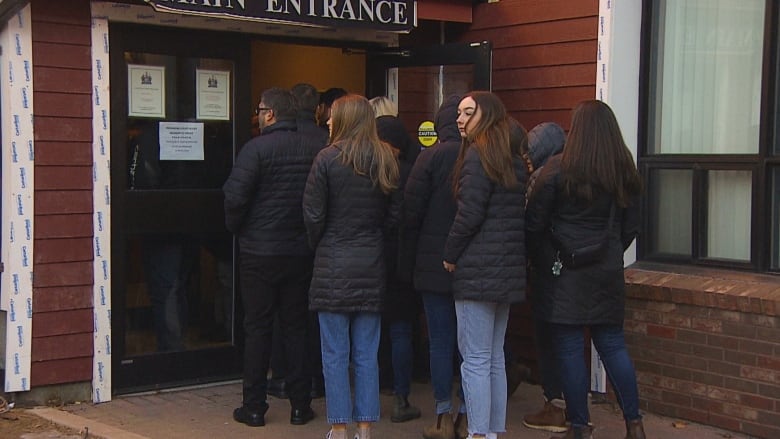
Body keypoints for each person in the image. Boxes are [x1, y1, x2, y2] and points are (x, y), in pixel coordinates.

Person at [525, 100, 643, 439]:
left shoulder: (557, 170)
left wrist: (544, 260)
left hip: (563, 276)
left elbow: (534, 225)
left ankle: (579, 426)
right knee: (613, 346)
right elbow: (631, 226)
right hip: (606, 272)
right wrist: (608, 254)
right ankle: (634, 423)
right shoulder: (623, 169)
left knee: (570, 350)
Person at [303, 94, 400, 439]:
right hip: (371, 263)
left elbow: (313, 216)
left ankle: (340, 427)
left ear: (344, 120)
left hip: (333, 264)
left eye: (332, 117)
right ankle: (366, 427)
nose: (327, 121)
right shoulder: (386, 158)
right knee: (366, 353)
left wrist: (322, 244)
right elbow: (395, 215)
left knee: (334, 353)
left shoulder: (326, 160)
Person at [223, 87, 321, 428]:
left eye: (260, 109)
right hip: (299, 252)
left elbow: (234, 198)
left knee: (258, 328)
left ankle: (253, 406)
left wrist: (240, 229)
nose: (257, 114)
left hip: (259, 253)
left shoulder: (256, 149)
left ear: (272, 114)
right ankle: (299, 405)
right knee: (296, 328)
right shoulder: (316, 148)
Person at [442, 91, 531, 439]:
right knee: (493, 357)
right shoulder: (510, 158)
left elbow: (469, 214)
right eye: (459, 113)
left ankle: (479, 433)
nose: (460, 119)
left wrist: (450, 253)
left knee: (476, 359)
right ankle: (492, 430)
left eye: (468, 112)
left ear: (487, 115)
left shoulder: (478, 157)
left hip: (477, 270)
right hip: (506, 271)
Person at [404, 94, 469, 439]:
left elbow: (410, 213)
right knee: (472, 347)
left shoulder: (428, 159)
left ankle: (442, 415)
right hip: (471, 266)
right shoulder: (478, 157)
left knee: (441, 341)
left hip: (432, 266)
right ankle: (467, 414)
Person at [267, 83, 330, 400]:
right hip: (316, 242)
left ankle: (282, 377)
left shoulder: (272, 142)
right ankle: (316, 378)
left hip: (278, 239)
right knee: (314, 314)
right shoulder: (327, 142)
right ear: (319, 109)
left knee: (283, 313)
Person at [368, 96, 422, 423]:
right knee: (401, 329)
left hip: (373, 259)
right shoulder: (413, 172)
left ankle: (368, 397)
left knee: (369, 331)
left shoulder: (366, 171)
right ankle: (401, 397)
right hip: (404, 260)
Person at [522, 122, 569, 433]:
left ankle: (555, 405)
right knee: (568, 339)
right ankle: (573, 409)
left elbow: (532, 224)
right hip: (575, 268)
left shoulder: (542, 178)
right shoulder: (584, 171)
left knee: (549, 338)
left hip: (548, 269)